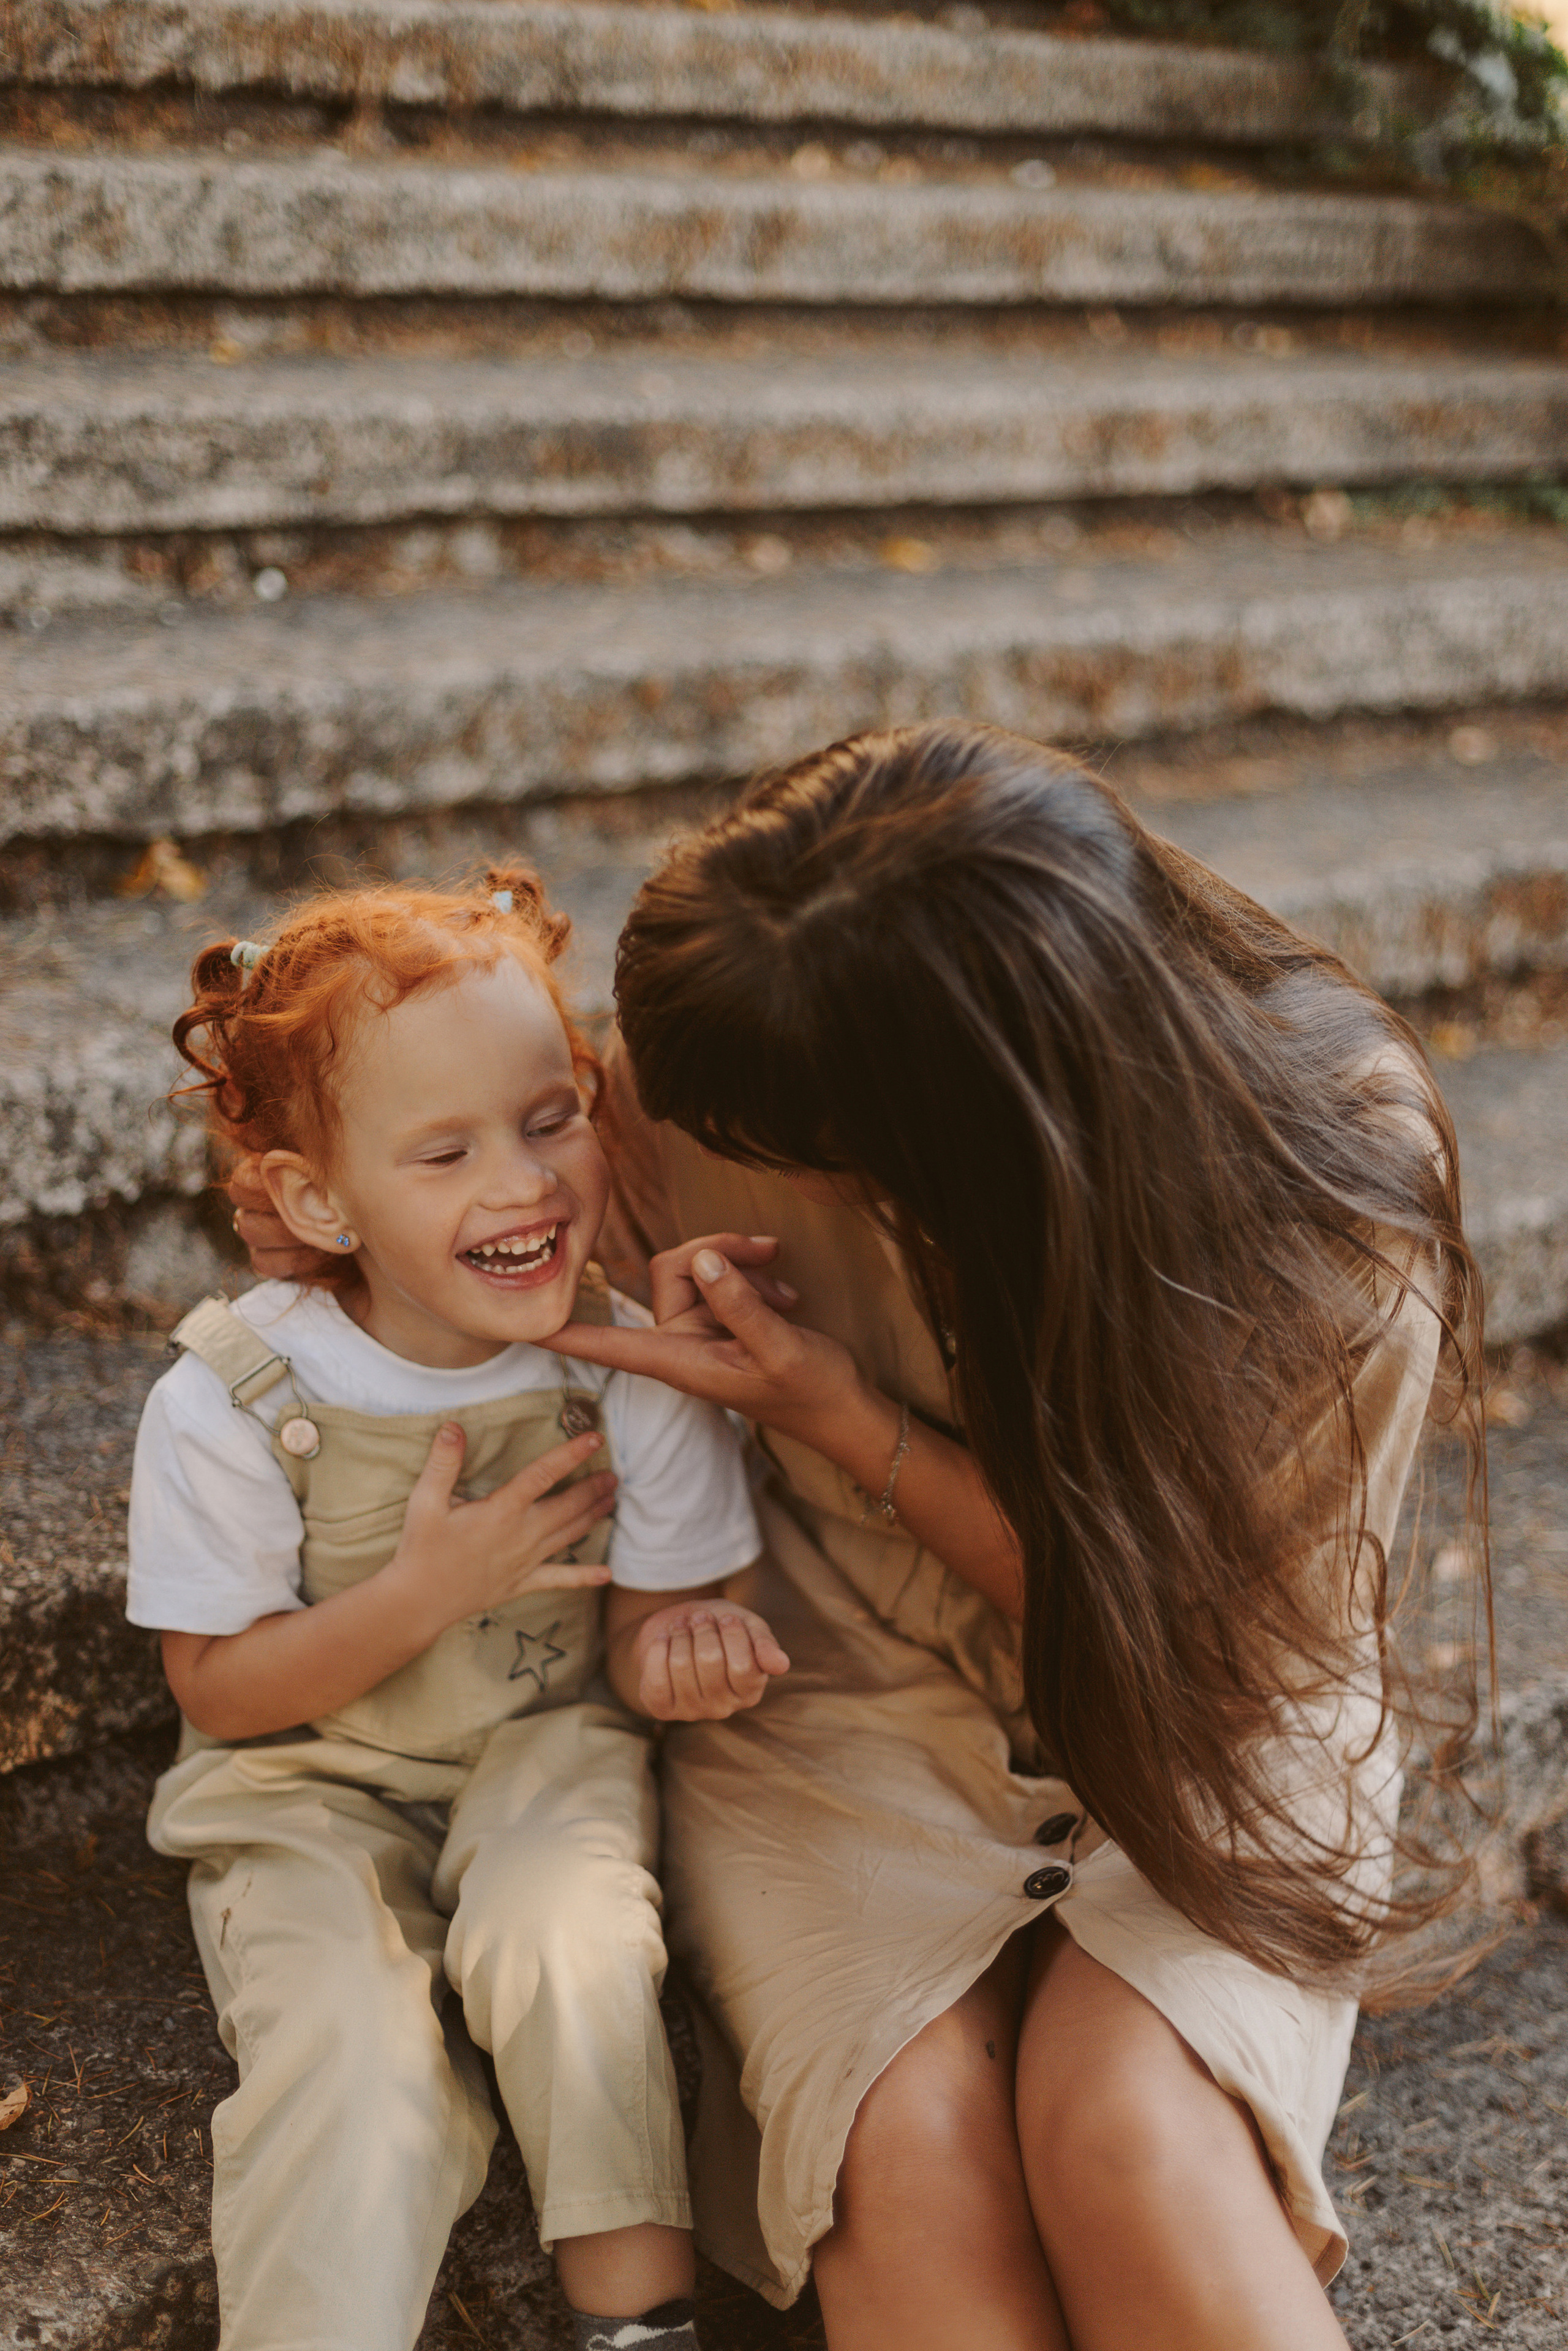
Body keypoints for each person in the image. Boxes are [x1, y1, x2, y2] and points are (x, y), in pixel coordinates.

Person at [526, 721, 1487, 2351]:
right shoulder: (736, 1024)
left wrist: (844, 1413)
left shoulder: (1330, 1203)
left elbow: (1218, 1659)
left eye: (783, 1150)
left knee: (1129, 2134)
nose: (667, 1125)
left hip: (1208, 1696)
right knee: (915, 2148)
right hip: (837, 1664)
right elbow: (481, 1181)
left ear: (966, 1134)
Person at [126, 869, 786, 2351]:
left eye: (549, 1116)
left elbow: (649, 1617)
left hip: (541, 1746)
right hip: (301, 1781)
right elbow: (221, 1691)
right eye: (444, 1149)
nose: (524, 1181)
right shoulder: (235, 1394)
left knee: (573, 1942)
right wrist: (428, 1591)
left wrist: (677, 1649)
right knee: (349, 2056)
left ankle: (638, 2325)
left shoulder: (629, 1362)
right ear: (314, 1198)